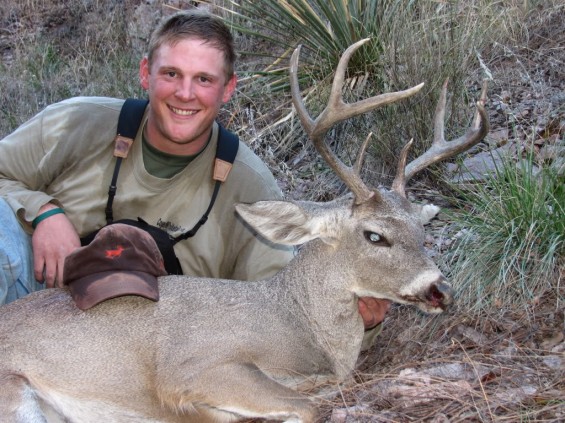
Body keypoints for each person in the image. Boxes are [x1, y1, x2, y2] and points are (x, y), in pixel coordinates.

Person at [0, 9, 388, 337]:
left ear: (228, 88)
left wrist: (358, 322)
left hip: (143, 346)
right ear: (145, 73)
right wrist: (43, 211)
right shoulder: (75, 122)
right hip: (36, 297)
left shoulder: (249, 186)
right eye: (170, 74)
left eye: (204, 79)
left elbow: (280, 306)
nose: (185, 94)